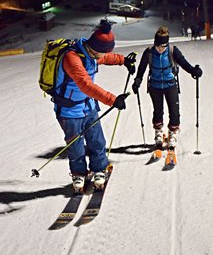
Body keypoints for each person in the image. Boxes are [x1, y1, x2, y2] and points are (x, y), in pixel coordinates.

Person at [54, 20, 136, 192]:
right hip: (69, 111)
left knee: (97, 141)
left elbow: (106, 57)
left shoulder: (92, 53)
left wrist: (124, 61)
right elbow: (86, 85)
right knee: (75, 146)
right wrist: (113, 100)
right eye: (101, 53)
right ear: (93, 48)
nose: (102, 57)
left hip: (88, 106)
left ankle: (99, 169)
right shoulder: (72, 58)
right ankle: (78, 174)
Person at [132, 26, 203, 163]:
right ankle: (158, 133)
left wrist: (194, 71)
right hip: (155, 86)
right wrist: (137, 81)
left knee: (174, 112)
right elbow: (141, 69)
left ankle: (172, 134)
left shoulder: (172, 51)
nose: (160, 48)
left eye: (163, 45)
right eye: (157, 45)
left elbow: (184, 64)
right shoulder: (149, 53)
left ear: (167, 44)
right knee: (158, 111)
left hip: (171, 85)